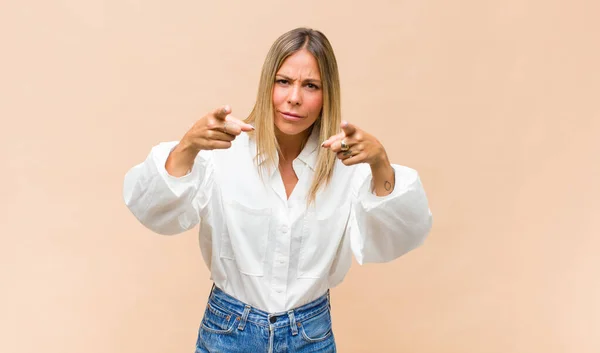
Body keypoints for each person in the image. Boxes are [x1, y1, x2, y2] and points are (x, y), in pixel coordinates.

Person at [122, 27, 432, 353]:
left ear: (328, 94)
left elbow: (401, 236)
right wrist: (187, 146)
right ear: (267, 83)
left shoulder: (348, 165)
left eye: (310, 86)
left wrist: (380, 162)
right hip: (228, 332)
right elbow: (150, 209)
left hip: (310, 335)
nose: (294, 97)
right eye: (284, 81)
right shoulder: (224, 152)